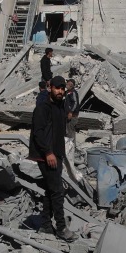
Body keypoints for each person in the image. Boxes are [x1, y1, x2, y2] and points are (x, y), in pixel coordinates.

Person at [29, 75, 75, 240]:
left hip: (57, 153)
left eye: (62, 89)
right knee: (57, 191)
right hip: (46, 155)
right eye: (57, 88)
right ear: (50, 88)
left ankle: (46, 225)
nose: (60, 91)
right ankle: (61, 228)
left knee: (50, 191)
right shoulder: (43, 108)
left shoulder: (60, 105)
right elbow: (38, 133)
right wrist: (48, 152)